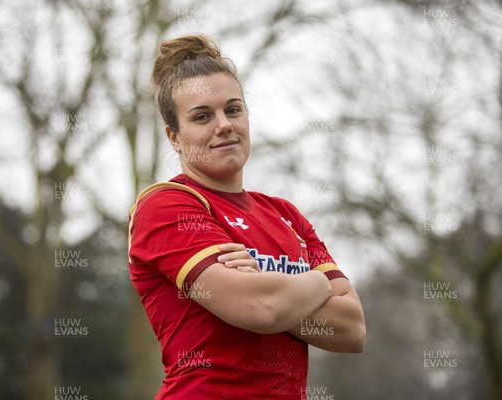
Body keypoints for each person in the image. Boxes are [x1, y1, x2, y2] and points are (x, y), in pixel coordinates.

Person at [128, 34, 365, 399]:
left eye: (233, 109)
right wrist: (316, 285)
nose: (223, 124)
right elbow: (259, 307)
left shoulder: (287, 215)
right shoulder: (166, 205)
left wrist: (266, 283)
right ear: (174, 137)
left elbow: (351, 330)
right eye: (202, 116)